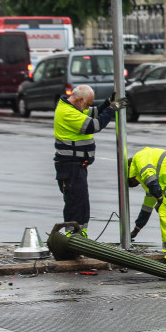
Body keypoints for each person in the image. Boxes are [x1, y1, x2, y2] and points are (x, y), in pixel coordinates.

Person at [54, 85, 127, 237]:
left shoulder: (73, 108)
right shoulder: (67, 112)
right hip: (70, 166)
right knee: (75, 202)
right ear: (80, 100)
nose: (88, 107)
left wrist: (107, 103)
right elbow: (94, 125)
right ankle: (72, 237)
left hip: (76, 166)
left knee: (82, 203)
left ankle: (80, 236)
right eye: (87, 104)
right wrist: (112, 109)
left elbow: (92, 113)